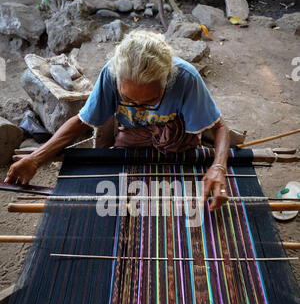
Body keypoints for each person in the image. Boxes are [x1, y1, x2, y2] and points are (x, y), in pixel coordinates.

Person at [5, 30, 230, 210]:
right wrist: (35, 158)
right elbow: (83, 120)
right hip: (131, 141)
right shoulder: (110, 74)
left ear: (167, 81)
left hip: (177, 143)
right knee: (118, 201)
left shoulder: (186, 78)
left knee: (182, 205)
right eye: (128, 99)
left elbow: (219, 127)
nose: (139, 107)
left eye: (151, 100)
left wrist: (219, 166)